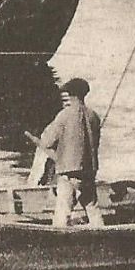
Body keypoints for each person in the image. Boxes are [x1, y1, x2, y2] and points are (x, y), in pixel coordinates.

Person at [35, 77, 105, 228]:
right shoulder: (94, 116)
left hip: (69, 172)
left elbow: (47, 141)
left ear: (70, 95)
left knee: (63, 210)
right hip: (89, 172)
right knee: (92, 208)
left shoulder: (64, 115)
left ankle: (58, 243)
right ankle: (103, 236)